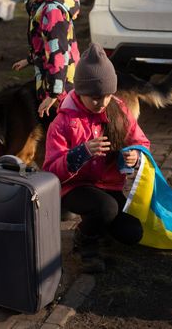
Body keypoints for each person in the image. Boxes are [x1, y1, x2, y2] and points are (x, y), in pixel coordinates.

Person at [43, 43, 150, 273]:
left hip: (108, 185)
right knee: (106, 208)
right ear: (80, 92)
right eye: (94, 98)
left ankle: (97, 227)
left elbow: (140, 141)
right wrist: (81, 153)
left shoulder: (118, 110)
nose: (101, 103)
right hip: (73, 187)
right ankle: (85, 242)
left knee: (132, 233)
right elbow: (51, 170)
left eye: (107, 96)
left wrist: (134, 156)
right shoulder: (63, 121)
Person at [13, 0, 80, 124]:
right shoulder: (39, 2)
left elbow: (58, 54)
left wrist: (54, 94)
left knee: (65, 126)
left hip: (62, 85)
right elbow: (44, 42)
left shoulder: (51, 10)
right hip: (58, 78)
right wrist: (30, 59)